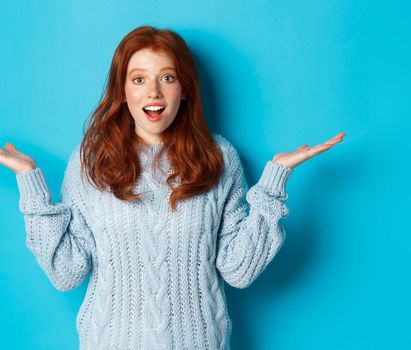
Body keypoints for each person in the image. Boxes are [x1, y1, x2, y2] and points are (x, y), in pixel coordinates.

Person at [0, 25, 344, 350]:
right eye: (139, 79)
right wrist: (30, 181)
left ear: (185, 90)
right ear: (122, 90)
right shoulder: (92, 160)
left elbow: (239, 270)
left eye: (167, 78)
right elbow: (65, 272)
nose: (153, 92)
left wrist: (275, 178)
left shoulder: (218, 157)